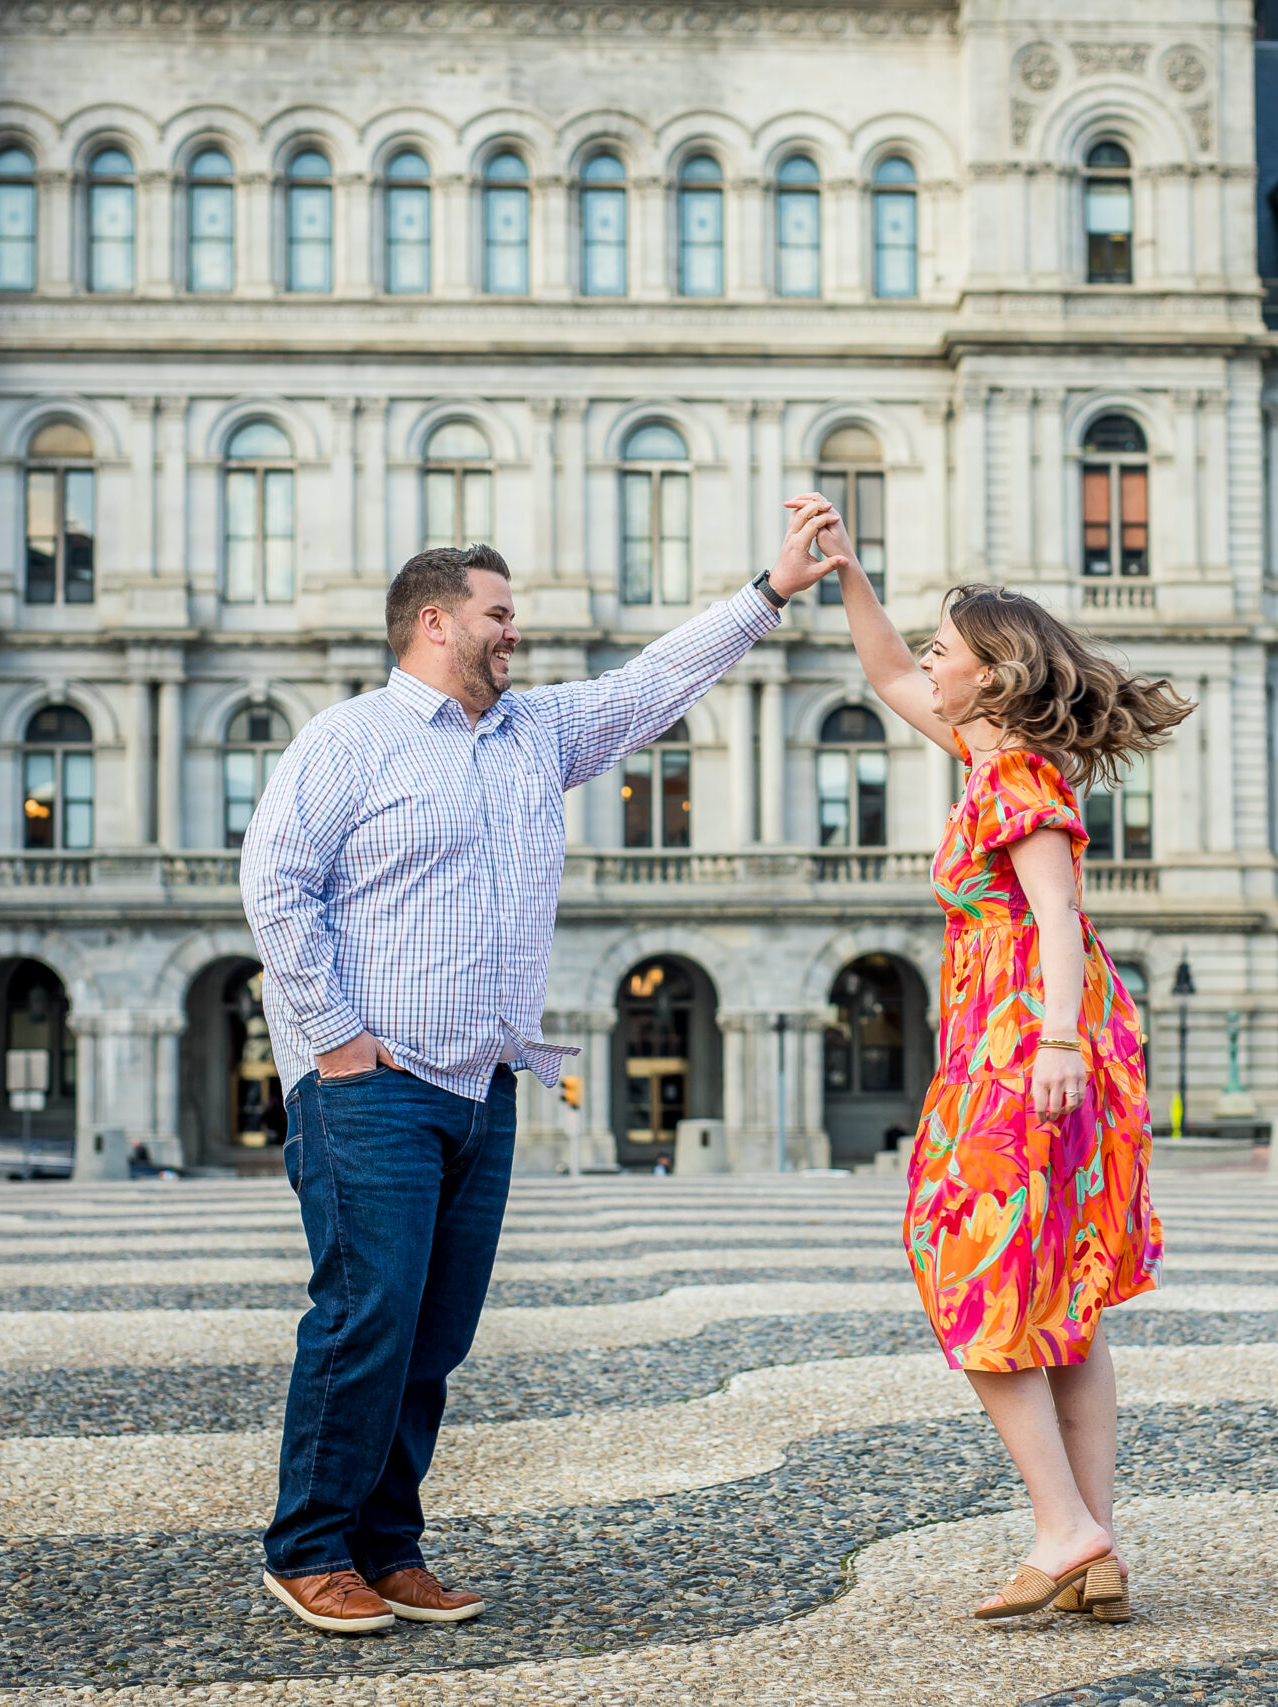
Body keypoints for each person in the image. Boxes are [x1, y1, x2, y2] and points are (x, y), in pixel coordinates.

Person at [240, 508, 843, 1636]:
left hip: (482, 1085)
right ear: (433, 623)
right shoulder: (349, 739)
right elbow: (274, 885)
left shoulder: (536, 735)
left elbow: (656, 680)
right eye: (499, 613)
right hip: (370, 1085)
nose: (515, 632)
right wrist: (332, 1039)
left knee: (434, 1331)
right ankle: (308, 1547)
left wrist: (767, 591)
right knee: (366, 1313)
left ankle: (387, 1545)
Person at [807, 496, 1191, 1624]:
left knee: (963, 1268)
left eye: (947, 650)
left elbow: (1061, 916)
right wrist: (845, 573)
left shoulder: (1016, 782)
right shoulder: (983, 751)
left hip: (1030, 1042)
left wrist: (1061, 1045)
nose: (928, 660)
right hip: (1023, 1037)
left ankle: (1065, 1527)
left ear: (992, 675)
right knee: (1059, 1293)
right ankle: (1094, 1545)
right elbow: (883, 671)